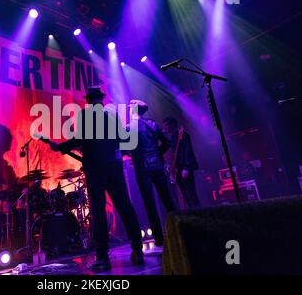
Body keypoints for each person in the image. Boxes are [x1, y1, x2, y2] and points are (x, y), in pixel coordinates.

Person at [51, 87, 144, 271]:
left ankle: (102, 257)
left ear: (88, 101)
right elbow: (122, 138)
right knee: (125, 206)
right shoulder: (112, 115)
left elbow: (81, 139)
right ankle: (137, 251)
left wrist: (61, 147)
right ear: (101, 99)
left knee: (98, 212)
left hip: (96, 170)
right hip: (114, 167)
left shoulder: (86, 115)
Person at [128, 100, 178, 249]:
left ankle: (159, 239)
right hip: (157, 164)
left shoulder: (129, 127)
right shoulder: (153, 124)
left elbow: (124, 147)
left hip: (143, 168)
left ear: (133, 111)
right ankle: (179, 230)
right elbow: (168, 141)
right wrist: (158, 153)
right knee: (168, 200)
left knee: (150, 204)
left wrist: (133, 156)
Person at [163, 117, 200, 208]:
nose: (164, 128)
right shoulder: (170, 139)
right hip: (177, 170)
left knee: (191, 194)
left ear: (172, 125)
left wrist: (186, 168)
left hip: (184, 169)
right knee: (185, 196)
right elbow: (173, 154)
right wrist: (169, 165)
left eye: (166, 126)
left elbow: (188, 151)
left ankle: (199, 215)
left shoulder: (182, 135)